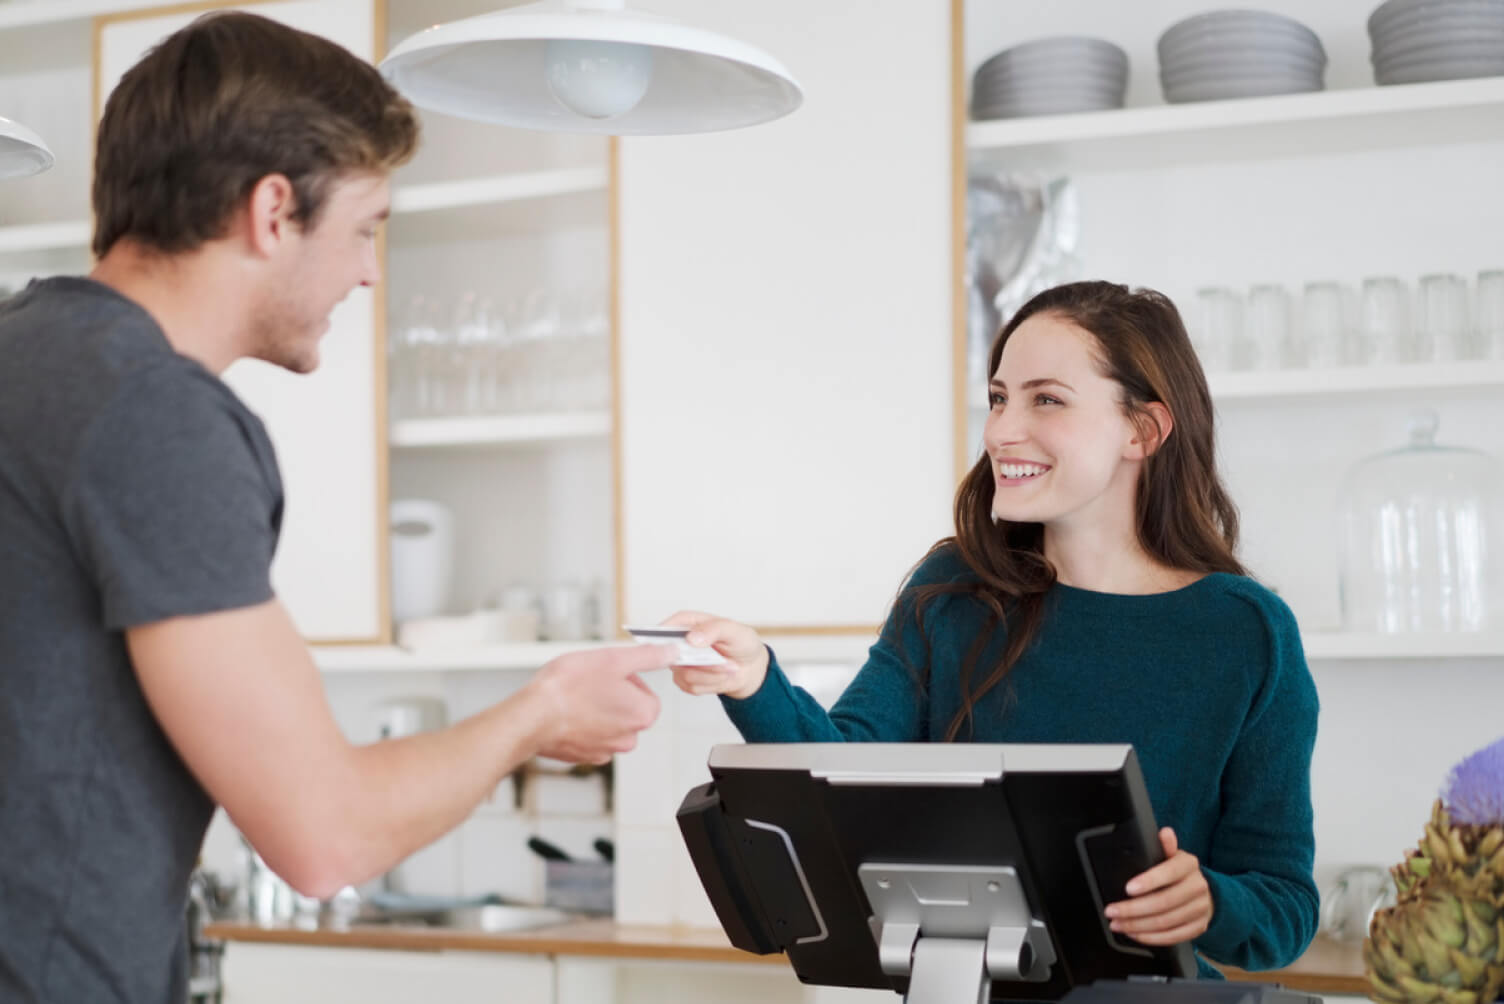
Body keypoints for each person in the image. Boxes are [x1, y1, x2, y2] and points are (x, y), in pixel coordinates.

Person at [0, 12, 674, 1003]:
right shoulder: (156, 416)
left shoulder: (23, 354)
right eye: (364, 228)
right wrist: (544, 710)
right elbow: (325, 836)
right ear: (273, 211)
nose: (367, 270)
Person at [667, 280, 1320, 978]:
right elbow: (843, 768)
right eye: (1000, 397)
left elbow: (1284, 907)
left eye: (1046, 399)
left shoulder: (1246, 633)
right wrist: (754, 682)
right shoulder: (953, 591)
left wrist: (1210, 902)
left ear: (1143, 430)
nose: (1003, 430)